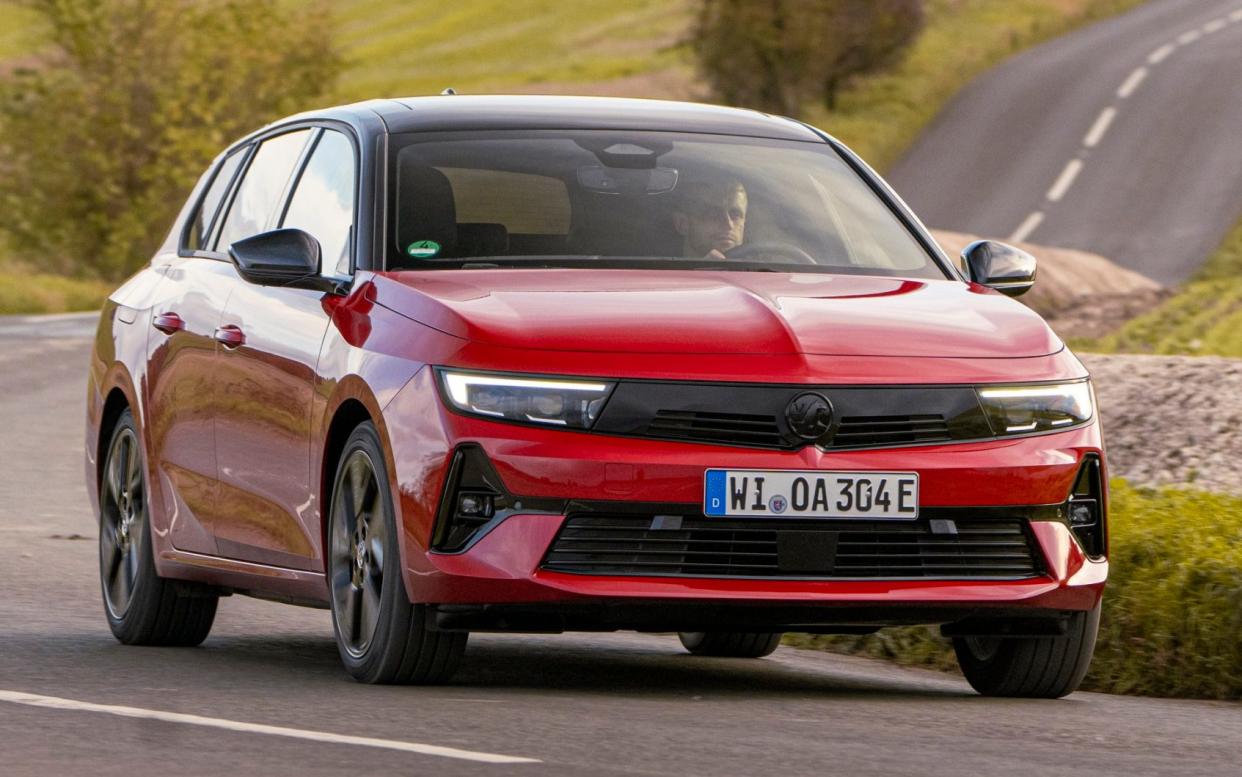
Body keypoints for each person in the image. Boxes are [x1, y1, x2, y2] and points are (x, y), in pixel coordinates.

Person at [671, 177, 748, 259]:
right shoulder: (660, 270)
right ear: (682, 223)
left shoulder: (760, 268)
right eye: (713, 214)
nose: (728, 224)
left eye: (736, 215)